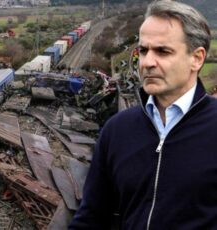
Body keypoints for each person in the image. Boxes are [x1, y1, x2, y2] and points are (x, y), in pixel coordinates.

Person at [69, 1, 216, 229]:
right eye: (143, 50)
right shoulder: (117, 130)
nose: (147, 62)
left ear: (196, 58)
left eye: (163, 51)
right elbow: (91, 218)